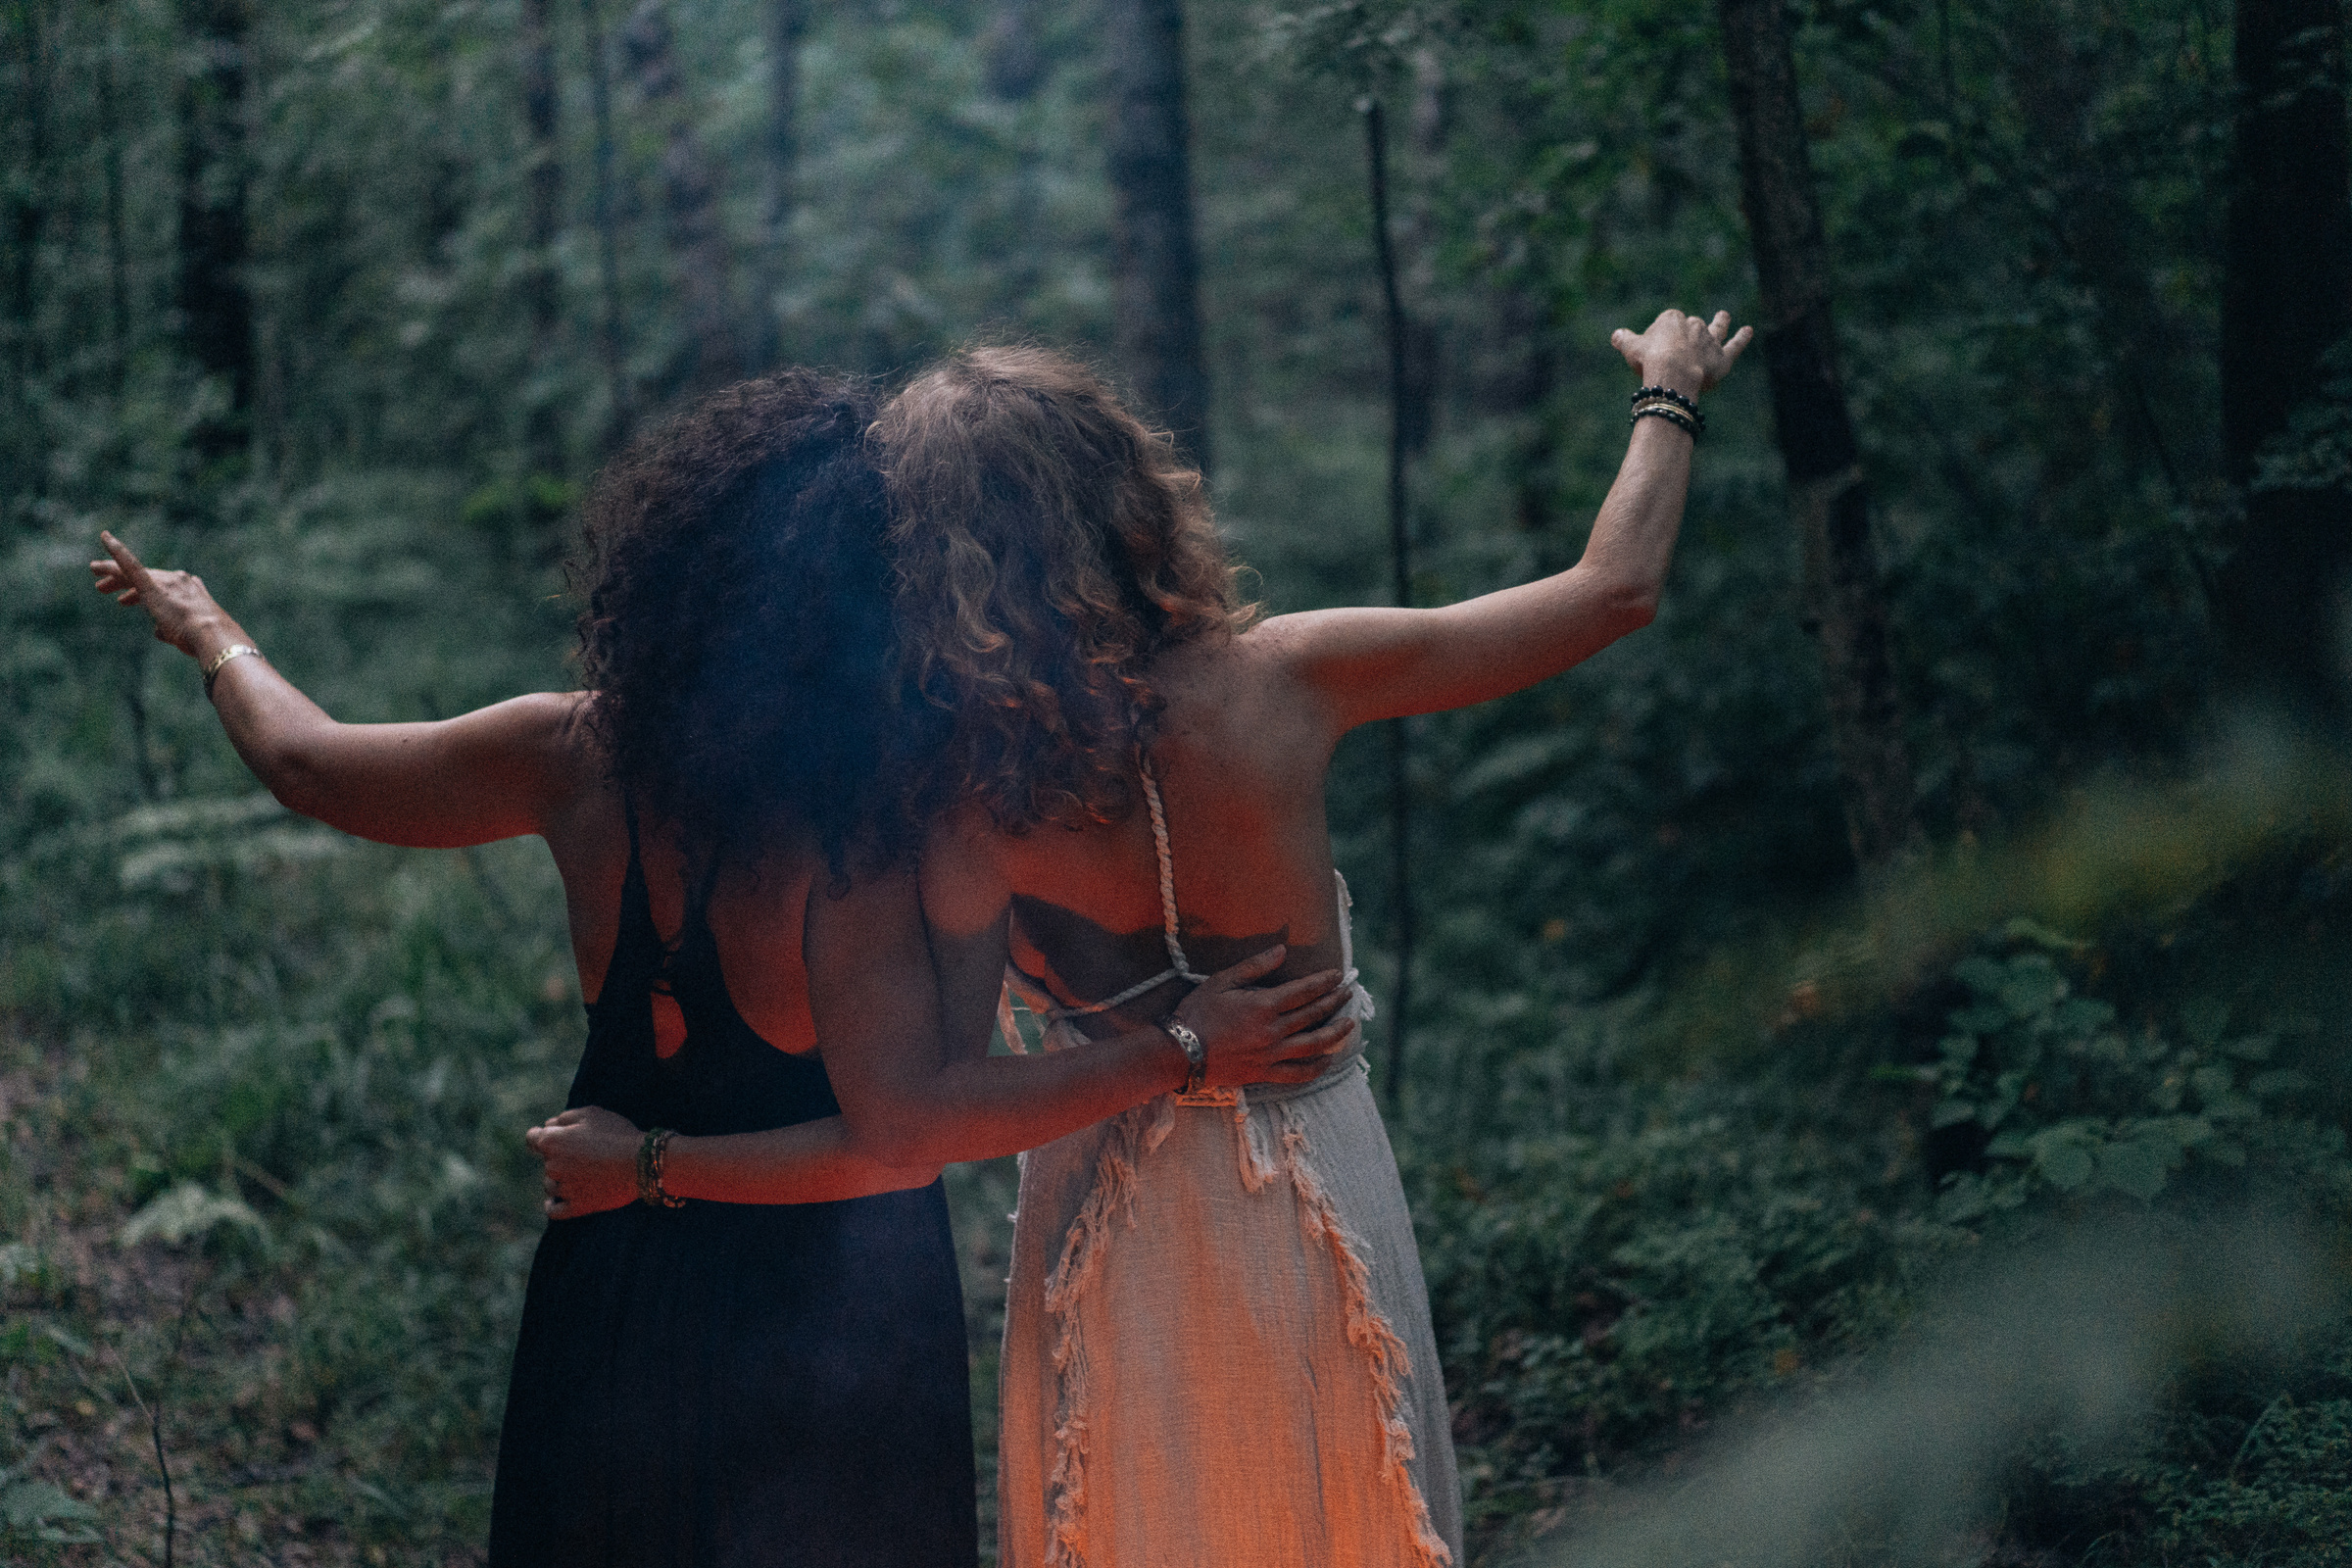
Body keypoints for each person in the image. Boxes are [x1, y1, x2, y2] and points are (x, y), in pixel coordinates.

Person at [92, 370, 1357, 1567]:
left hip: (625, 1290)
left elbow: (311, 766)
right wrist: (1183, 1038)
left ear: (673, 573)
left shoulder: (575, 754)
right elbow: (894, 1141)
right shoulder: (875, 832)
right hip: (842, 1338)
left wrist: (211, 632)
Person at [865, 307, 1750, 1568]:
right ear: (1127, 497)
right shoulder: (1286, 680)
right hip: (1306, 1193)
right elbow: (1613, 591)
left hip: (1101, 1227)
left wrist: (1157, 1053)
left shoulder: (964, 806)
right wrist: (1670, 391)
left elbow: (941, 1104)